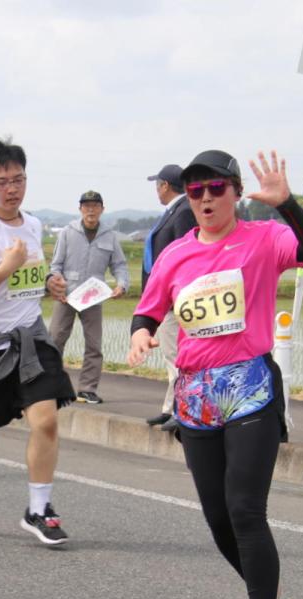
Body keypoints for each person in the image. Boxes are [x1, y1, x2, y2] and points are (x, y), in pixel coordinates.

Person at [127, 149, 303, 599]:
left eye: (216, 188)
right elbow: (148, 308)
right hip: (195, 398)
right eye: (196, 190)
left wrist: (287, 204)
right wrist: (142, 334)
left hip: (250, 390)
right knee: (218, 518)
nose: (206, 198)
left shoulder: (264, 239)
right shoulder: (176, 255)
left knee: (244, 508)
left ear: (236, 192)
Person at [0, 138, 75, 545]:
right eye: (2, 181)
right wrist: (5, 267)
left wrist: (51, 284)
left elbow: (32, 278)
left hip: (30, 338)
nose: (12, 188)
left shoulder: (35, 225)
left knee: (47, 422)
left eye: (18, 179)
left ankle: (39, 509)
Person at [47, 190, 128, 405]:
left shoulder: (109, 235)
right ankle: (51, 387)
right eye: (86, 206)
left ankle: (87, 389)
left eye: (95, 206)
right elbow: (55, 265)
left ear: (102, 209)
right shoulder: (67, 232)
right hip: (67, 294)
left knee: (94, 344)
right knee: (55, 340)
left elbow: (119, 265)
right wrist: (58, 285)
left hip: (93, 296)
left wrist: (122, 284)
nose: (90, 210)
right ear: (80, 209)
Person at [142, 164, 197, 430]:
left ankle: (181, 409)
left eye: (157, 184)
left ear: (165, 185)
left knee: (176, 357)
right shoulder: (176, 210)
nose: (156, 190)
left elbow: (186, 255)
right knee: (169, 355)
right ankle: (169, 407)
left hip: (175, 299)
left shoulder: (184, 212)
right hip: (165, 297)